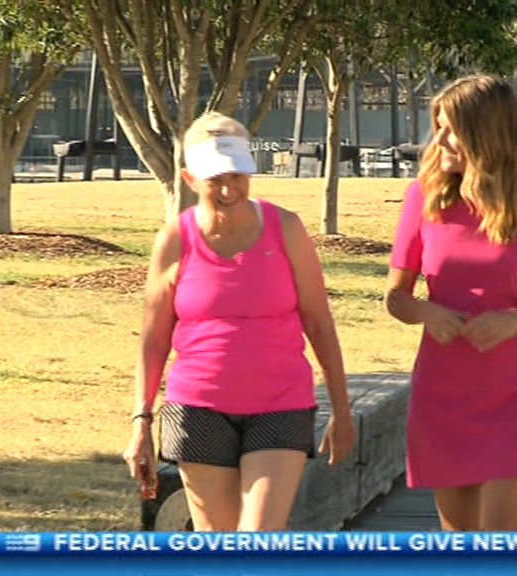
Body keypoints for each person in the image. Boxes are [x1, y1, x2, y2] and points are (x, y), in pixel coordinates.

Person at [122, 112, 355, 532]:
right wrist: (142, 421)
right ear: (190, 179)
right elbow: (154, 340)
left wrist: (342, 410)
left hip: (280, 405)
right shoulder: (174, 239)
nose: (229, 190)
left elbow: (319, 323)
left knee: (258, 539)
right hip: (197, 409)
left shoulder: (286, 228)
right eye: (215, 179)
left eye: (237, 176)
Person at [384, 75, 517, 531]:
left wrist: (515, 321)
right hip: (442, 392)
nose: (439, 141)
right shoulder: (423, 200)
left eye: (450, 130)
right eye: (438, 128)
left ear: (485, 134)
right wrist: (427, 312)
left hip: (515, 396)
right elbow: (395, 298)